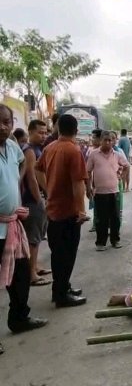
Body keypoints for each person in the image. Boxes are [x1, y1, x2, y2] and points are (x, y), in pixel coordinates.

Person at [0, 104, 48, 354]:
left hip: (12, 225)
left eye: (7, 121)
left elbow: (22, 165)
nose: (3, 126)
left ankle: (19, 318)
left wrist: (13, 182)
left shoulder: (11, 146)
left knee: (20, 277)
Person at [35, 114, 88, 307]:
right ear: (76, 130)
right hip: (68, 211)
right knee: (67, 254)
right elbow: (77, 184)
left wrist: (48, 189)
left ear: (58, 128)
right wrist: (81, 211)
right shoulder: (73, 150)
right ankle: (61, 294)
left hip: (53, 210)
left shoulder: (50, 147)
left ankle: (62, 287)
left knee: (58, 253)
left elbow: (37, 169)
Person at [20, 120, 51, 286]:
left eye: (45, 132)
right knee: (33, 237)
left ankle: (35, 266)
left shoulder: (38, 149)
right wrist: (39, 199)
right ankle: (31, 274)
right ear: (30, 132)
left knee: (37, 236)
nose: (43, 135)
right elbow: (31, 177)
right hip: (32, 200)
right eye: (40, 132)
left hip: (36, 198)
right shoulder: (30, 150)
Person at [87, 131, 130, 251]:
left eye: (110, 140)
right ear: (101, 140)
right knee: (101, 219)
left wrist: (121, 175)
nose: (108, 142)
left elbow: (127, 166)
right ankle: (100, 243)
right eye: (105, 140)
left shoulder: (117, 154)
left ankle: (115, 240)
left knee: (115, 218)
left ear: (113, 141)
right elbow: (88, 172)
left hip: (114, 191)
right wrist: (88, 187)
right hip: (100, 193)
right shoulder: (94, 154)